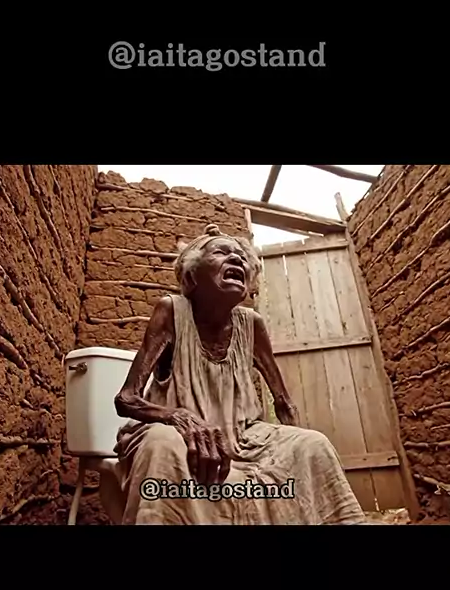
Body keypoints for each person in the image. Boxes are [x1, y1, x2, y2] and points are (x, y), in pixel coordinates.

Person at [110, 224, 367, 525]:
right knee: (162, 443)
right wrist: (179, 417)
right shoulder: (172, 311)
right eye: (220, 252)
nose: (236, 259)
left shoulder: (251, 324)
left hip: (244, 436)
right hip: (177, 432)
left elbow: (284, 403)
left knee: (312, 444)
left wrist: (290, 452)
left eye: (242, 257)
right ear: (191, 278)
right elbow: (126, 399)